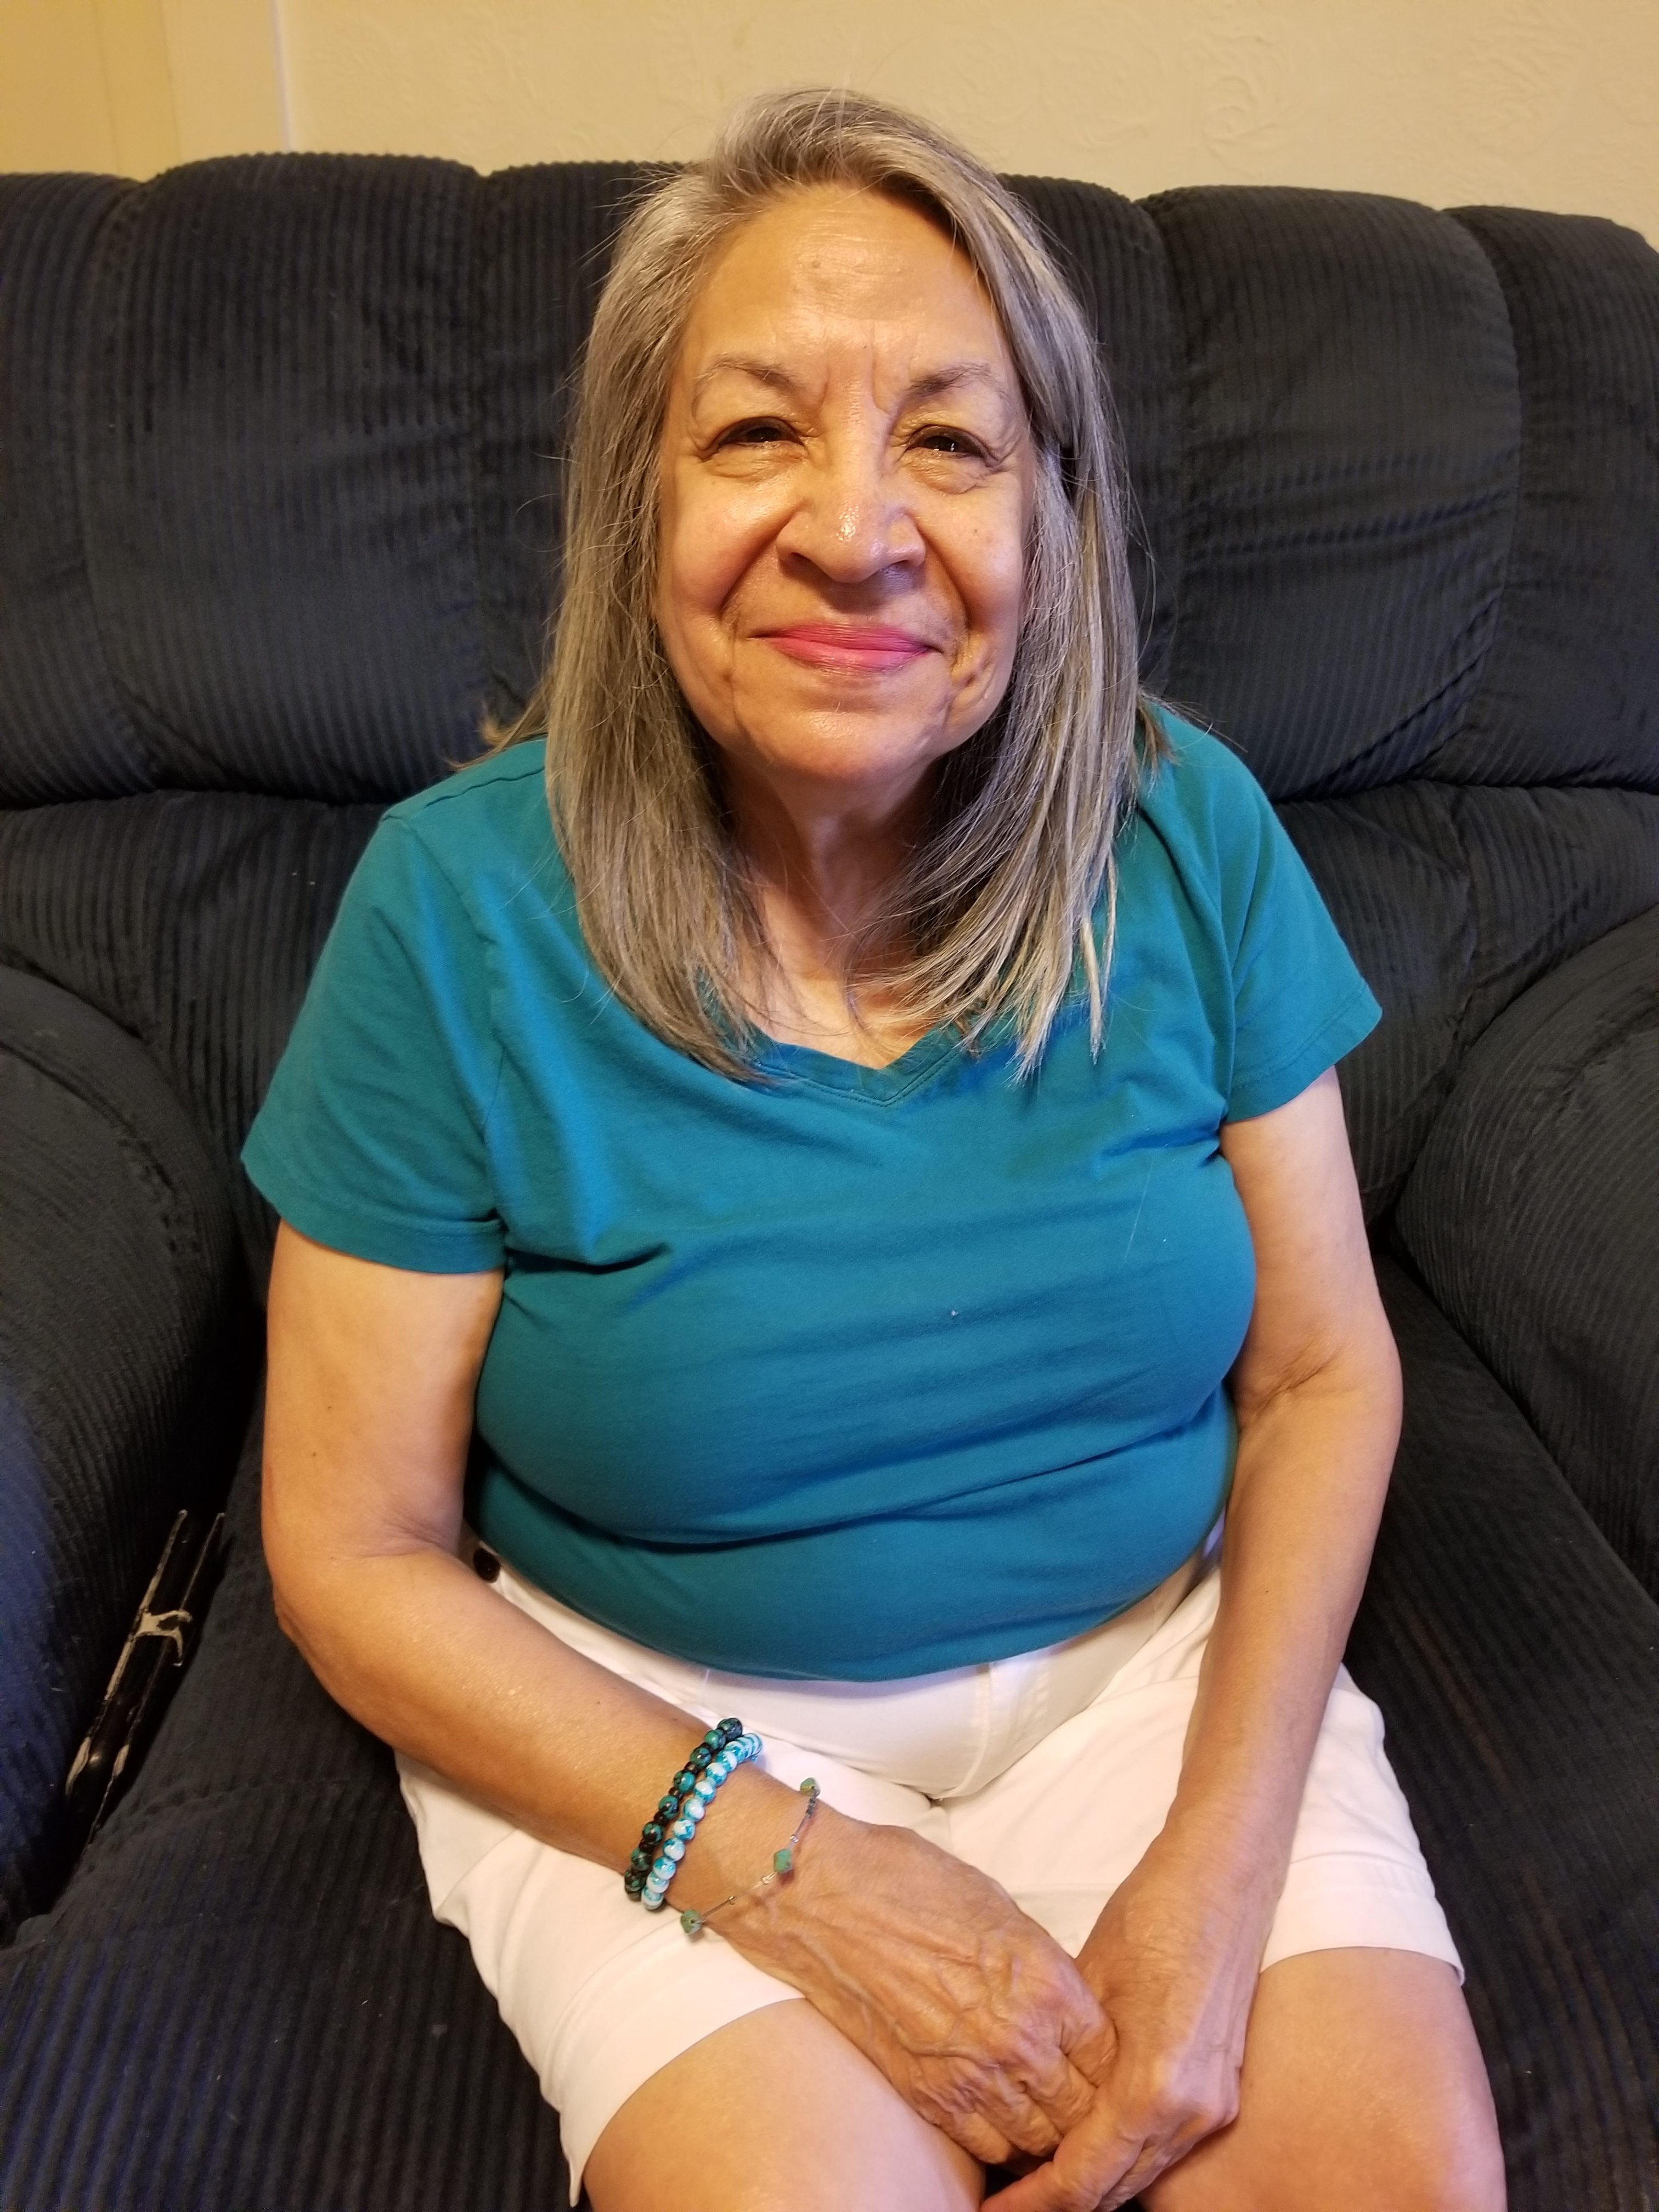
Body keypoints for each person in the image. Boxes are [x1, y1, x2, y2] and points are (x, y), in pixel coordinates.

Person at [246, 89, 1506, 2212]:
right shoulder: (452, 908)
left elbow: (1318, 1373)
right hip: (673, 1726)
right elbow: (354, 1550)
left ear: (1056, 519)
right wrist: (785, 1869)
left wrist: (1217, 1872)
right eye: (754, 435)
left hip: (1156, 1676)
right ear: (633, 504)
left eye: (951, 439)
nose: (856, 528)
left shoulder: (1184, 828)